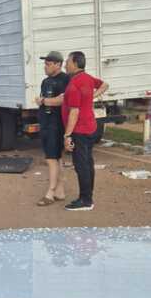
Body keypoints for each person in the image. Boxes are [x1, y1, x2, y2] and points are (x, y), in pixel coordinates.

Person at [58, 52, 108, 212]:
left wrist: (67, 135)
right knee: (87, 163)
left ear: (75, 63)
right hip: (90, 127)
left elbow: (74, 112)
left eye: (67, 61)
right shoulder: (87, 78)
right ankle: (87, 197)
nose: (65, 64)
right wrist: (91, 96)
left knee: (81, 165)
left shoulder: (74, 84)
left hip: (79, 130)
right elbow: (105, 85)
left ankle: (86, 200)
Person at [35, 51, 69, 206]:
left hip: (56, 125)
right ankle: (60, 191)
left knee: (51, 159)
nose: (45, 67)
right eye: (45, 64)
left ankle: (50, 193)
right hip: (46, 123)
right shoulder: (45, 81)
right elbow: (47, 100)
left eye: (48, 64)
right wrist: (43, 101)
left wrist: (43, 101)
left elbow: (63, 100)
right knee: (56, 158)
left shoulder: (65, 80)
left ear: (58, 64)